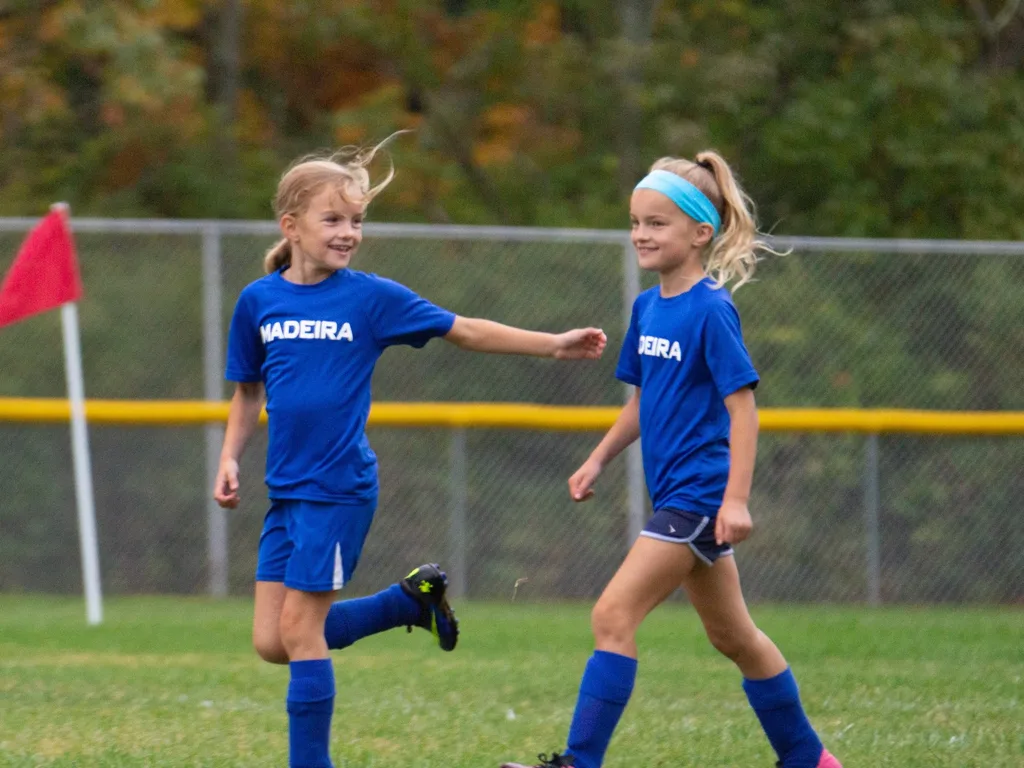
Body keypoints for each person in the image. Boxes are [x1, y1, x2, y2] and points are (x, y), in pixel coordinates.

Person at [212, 137, 607, 768]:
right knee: (271, 641)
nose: (349, 233)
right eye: (333, 219)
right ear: (291, 226)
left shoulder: (370, 298)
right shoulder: (259, 301)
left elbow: (465, 330)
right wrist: (230, 455)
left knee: (300, 633)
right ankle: (408, 602)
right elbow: (247, 390)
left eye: (356, 220)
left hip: (338, 489)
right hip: (286, 491)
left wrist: (553, 344)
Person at [501, 153, 841, 768]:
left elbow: (743, 411)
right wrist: (599, 458)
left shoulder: (711, 309)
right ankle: (810, 759)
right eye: (636, 222)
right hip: (680, 496)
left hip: (698, 495)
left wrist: (736, 499)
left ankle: (579, 762)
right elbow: (643, 402)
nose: (641, 234)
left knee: (613, 614)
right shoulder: (648, 307)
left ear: (699, 232)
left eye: (656, 223)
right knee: (734, 636)